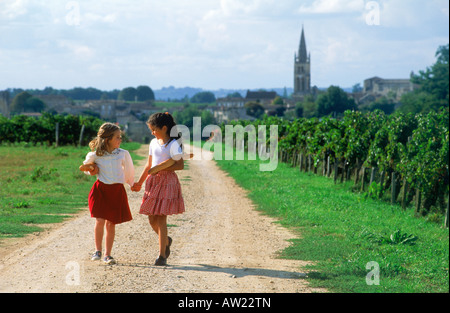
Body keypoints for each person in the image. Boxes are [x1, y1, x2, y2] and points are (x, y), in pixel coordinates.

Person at [131, 112, 187, 266]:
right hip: (152, 182)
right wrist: (140, 182)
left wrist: (162, 169)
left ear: (164, 128)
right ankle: (166, 240)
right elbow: (149, 165)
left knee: (161, 217)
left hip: (167, 182)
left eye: (154, 129)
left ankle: (162, 256)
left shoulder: (173, 144)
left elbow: (180, 165)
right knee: (151, 217)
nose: (152, 133)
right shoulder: (153, 143)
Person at [80, 122, 135, 265]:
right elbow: (86, 168)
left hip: (116, 191)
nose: (120, 140)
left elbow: (129, 171)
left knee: (111, 223)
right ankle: (97, 250)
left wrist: (132, 184)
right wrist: (91, 170)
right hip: (101, 191)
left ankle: (107, 255)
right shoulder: (95, 155)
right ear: (107, 139)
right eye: (117, 137)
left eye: (120, 137)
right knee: (100, 220)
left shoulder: (123, 154)